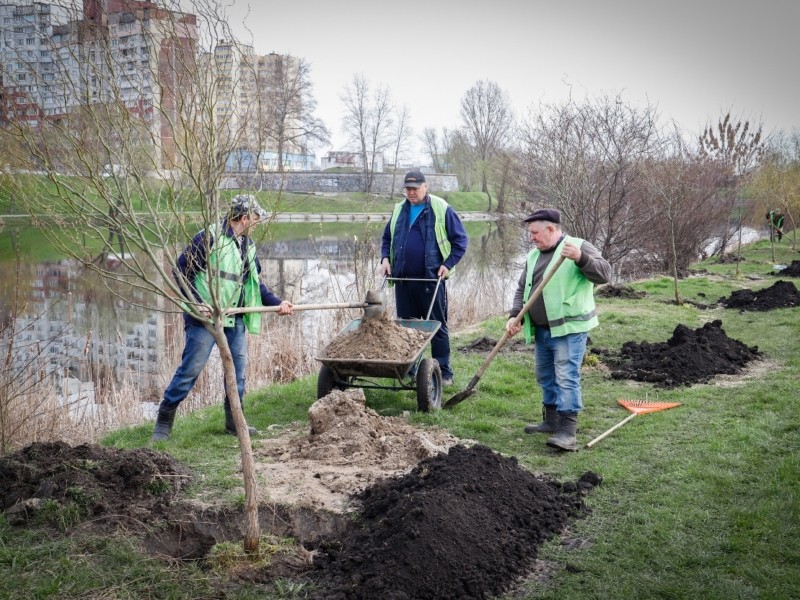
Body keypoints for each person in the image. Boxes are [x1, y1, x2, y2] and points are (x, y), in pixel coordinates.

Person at [152, 195, 293, 441]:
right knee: (191, 369)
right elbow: (181, 272)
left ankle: (233, 423)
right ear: (245, 217)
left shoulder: (247, 246)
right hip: (205, 320)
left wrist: (278, 303)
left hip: (235, 319)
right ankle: (164, 421)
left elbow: (255, 285)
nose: (258, 222)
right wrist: (198, 303)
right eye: (257, 218)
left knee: (237, 374)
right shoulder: (209, 238)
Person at [505, 208, 611, 451]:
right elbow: (523, 288)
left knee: (566, 377)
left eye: (535, 233)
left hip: (568, 329)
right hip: (542, 329)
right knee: (546, 376)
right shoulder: (533, 255)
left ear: (551, 229)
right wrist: (515, 315)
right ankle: (551, 421)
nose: (531, 237)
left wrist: (581, 258)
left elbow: (605, 274)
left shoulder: (578, 246)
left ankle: (567, 431)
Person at [380, 170, 469, 386]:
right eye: (408, 189)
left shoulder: (441, 208)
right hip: (403, 280)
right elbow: (386, 238)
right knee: (406, 328)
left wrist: (447, 265)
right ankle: (410, 369)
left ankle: (444, 373)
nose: (411, 193)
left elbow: (461, 242)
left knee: (436, 326)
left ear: (425, 187)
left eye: (415, 188)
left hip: (431, 280)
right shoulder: (399, 209)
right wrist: (384, 258)